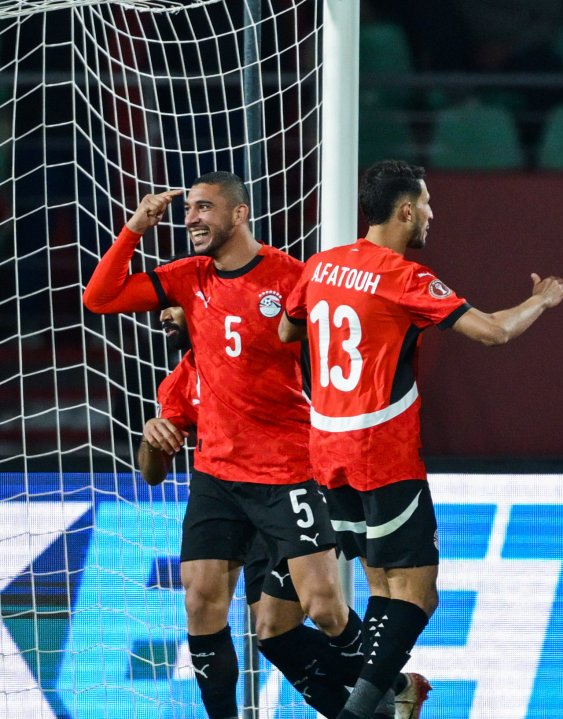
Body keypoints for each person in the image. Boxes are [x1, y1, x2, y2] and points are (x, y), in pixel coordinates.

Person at [279, 159, 563, 719]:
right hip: (380, 453)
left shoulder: (319, 267)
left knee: (382, 589)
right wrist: (543, 299)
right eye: (428, 204)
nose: (433, 214)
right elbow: (493, 331)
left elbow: (287, 329)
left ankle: (391, 701)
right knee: (416, 594)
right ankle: (360, 712)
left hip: (325, 450)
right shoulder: (405, 277)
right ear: (406, 209)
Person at [84, 172, 368, 719]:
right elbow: (100, 298)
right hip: (217, 475)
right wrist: (135, 228)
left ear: (239, 215)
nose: (191, 217)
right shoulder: (190, 280)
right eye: (188, 208)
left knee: (323, 608)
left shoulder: (291, 277)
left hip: (287, 471)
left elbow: (337, 352)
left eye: (205, 207)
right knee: (200, 600)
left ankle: (387, 688)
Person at [136, 304, 430, 719]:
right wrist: (151, 436)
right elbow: (151, 473)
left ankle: (386, 690)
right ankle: (393, 691)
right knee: (272, 634)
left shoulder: (271, 347)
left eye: (172, 306)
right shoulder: (183, 379)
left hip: (296, 488)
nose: (163, 317)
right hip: (241, 510)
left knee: (325, 608)